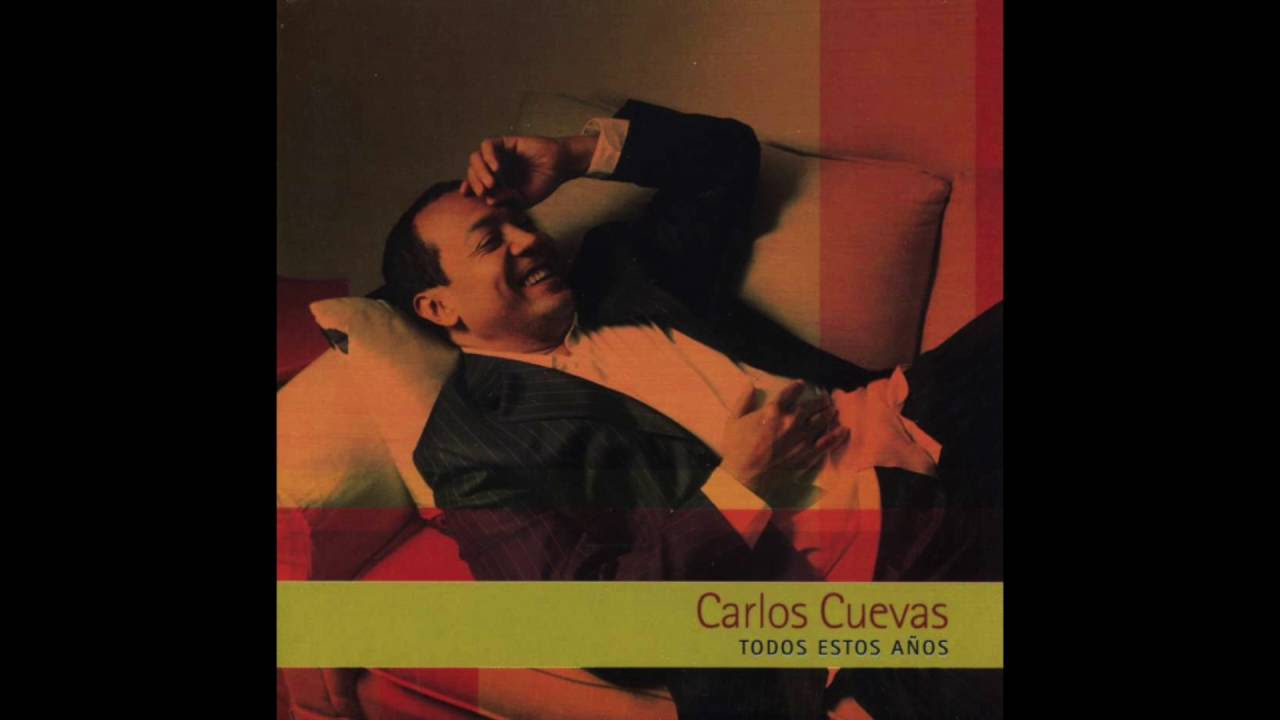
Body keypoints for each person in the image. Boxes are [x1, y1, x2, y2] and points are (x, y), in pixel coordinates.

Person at [378, 100, 1002, 719]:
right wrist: (741, 483)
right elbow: (587, 624)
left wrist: (573, 155)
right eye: (491, 241)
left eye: (522, 221)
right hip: (816, 564)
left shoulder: (623, 269)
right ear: (438, 307)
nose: (529, 239)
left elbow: (727, 157)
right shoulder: (468, 445)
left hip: (897, 416)